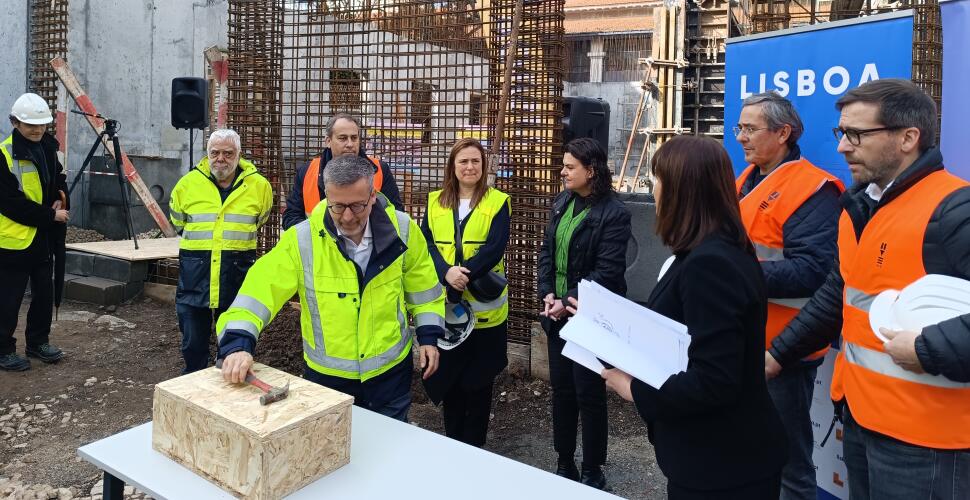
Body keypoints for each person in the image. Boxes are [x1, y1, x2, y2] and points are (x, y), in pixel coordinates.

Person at [766, 79, 970, 499]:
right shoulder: (861, 207)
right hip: (861, 421)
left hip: (928, 443)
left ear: (908, 138)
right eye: (842, 133)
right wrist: (777, 354)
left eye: (857, 135)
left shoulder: (954, 209)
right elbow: (838, 297)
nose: (843, 147)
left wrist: (929, 347)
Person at [598, 135, 788, 499]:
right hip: (722, 457)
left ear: (682, 190)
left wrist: (633, 389)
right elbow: (687, 326)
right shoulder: (713, 251)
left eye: (658, 180)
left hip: (723, 463)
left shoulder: (710, 264)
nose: (654, 191)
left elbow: (713, 381)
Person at [217, 155, 445, 421]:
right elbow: (259, 290)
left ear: (373, 195)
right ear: (326, 195)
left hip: (389, 374)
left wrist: (429, 336)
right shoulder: (302, 240)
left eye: (358, 206)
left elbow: (424, 286)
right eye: (337, 206)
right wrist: (237, 342)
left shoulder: (403, 230)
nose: (347, 217)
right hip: (328, 381)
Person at [734, 91, 844, 500]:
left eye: (750, 129)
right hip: (744, 342)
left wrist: (735, 276)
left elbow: (816, 271)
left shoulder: (812, 189)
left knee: (788, 465)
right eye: (739, 128)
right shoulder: (744, 180)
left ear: (783, 132)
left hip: (782, 352)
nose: (741, 137)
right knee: (749, 455)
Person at [537, 137, 631, 490]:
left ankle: (592, 468)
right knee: (562, 391)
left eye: (570, 167)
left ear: (591, 171)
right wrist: (546, 293)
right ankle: (564, 462)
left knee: (589, 394)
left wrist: (569, 299)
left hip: (591, 318)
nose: (562, 172)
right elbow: (546, 251)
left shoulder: (614, 213)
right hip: (557, 315)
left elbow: (608, 272)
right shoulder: (561, 203)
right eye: (564, 166)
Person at [421, 138, 510, 447]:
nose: (470, 167)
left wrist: (463, 275)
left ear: (483, 166)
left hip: (485, 314)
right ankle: (453, 444)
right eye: (463, 161)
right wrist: (446, 272)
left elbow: (495, 247)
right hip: (448, 310)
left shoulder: (498, 201)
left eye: (475, 161)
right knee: (452, 383)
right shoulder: (435, 201)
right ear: (453, 166)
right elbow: (426, 245)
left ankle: (475, 448)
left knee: (480, 383)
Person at [168, 129, 273, 374]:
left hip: (235, 274)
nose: (221, 159)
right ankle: (194, 378)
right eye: (215, 153)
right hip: (195, 274)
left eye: (228, 153)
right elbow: (178, 220)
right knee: (193, 339)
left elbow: (261, 217)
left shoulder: (259, 186)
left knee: (233, 338)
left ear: (238, 155)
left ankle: (226, 380)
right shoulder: (187, 184)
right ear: (207, 155)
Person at [0, 93, 69, 371]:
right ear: (15, 123)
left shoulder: (49, 147)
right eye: (31, 125)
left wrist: (60, 197)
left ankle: (38, 342)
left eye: (42, 124)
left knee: (44, 293)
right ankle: (3, 350)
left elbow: (58, 178)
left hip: (42, 239)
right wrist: (51, 215)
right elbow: (9, 203)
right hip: (13, 242)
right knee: (8, 299)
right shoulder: (4, 154)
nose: (38, 129)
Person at [282, 113, 403, 229]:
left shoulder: (380, 170)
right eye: (343, 138)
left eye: (354, 138)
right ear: (328, 141)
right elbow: (291, 217)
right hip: (320, 247)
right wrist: (321, 235)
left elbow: (396, 215)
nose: (350, 144)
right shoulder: (307, 172)